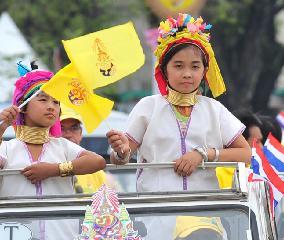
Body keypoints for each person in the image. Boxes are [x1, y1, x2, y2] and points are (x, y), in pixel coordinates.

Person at [107, 13, 251, 193]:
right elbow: (119, 159)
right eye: (178, 65)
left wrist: (203, 154)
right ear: (164, 69)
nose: (187, 73)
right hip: (156, 212)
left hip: (205, 211)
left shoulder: (214, 109)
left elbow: (246, 154)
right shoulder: (148, 107)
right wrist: (121, 151)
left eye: (195, 66)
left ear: (205, 70)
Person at [0, 62, 106, 198]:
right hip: (18, 220)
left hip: (59, 220)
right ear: (23, 107)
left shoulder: (63, 145)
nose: (51, 107)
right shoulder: (7, 148)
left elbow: (98, 161)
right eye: (43, 99)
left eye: (56, 102)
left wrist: (53, 170)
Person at [58, 107, 110, 194]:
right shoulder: (44, 168)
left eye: (74, 128)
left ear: (80, 133)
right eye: (61, 128)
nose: (68, 134)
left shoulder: (96, 172)